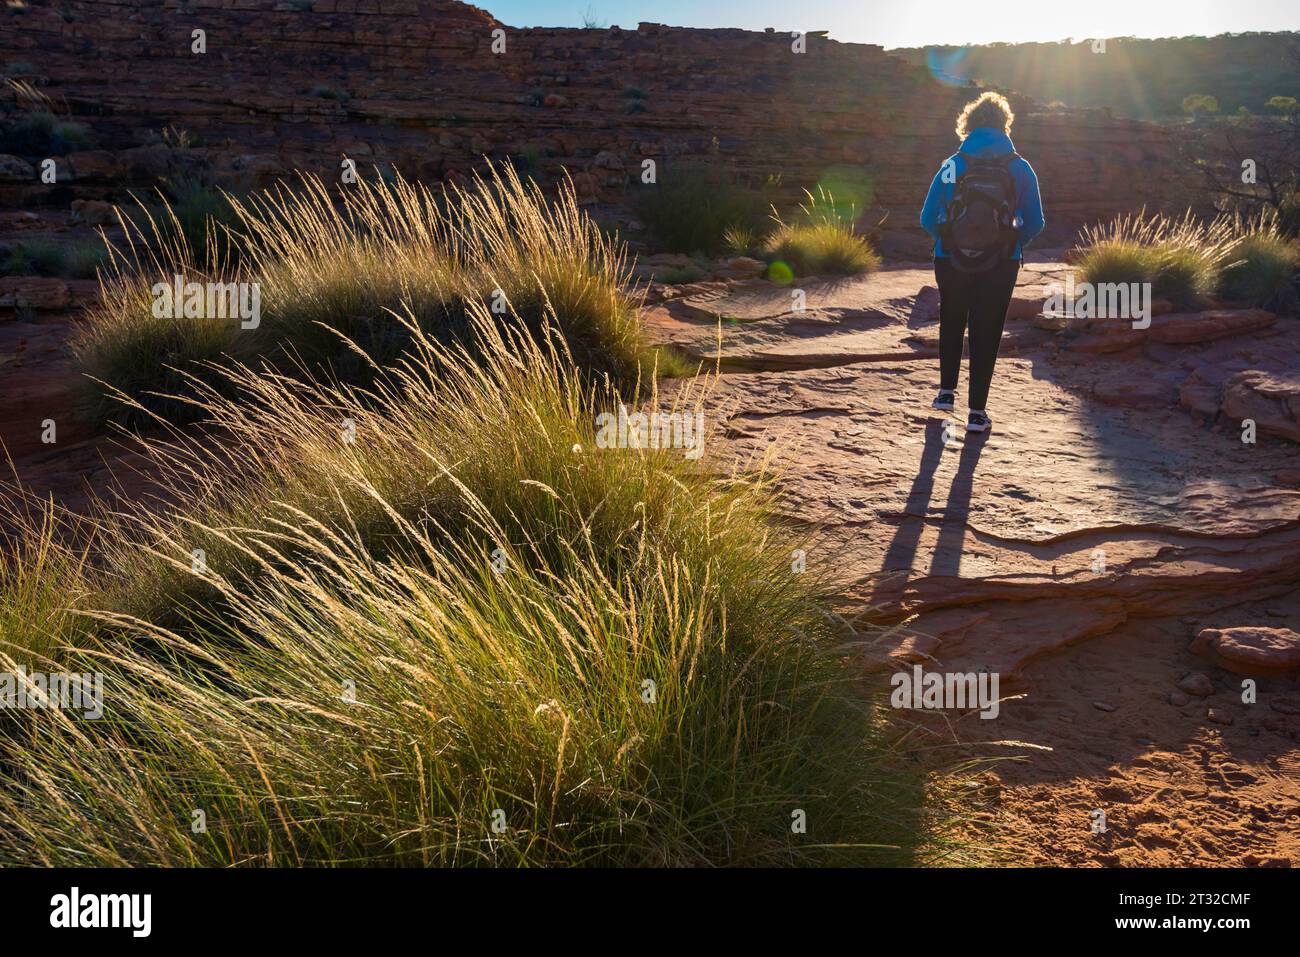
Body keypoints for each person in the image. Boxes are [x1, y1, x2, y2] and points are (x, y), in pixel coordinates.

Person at [919, 92, 1044, 433]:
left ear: (969, 125)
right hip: (1001, 262)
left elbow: (928, 216)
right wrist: (1012, 245)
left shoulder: (953, 165)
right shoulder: (1020, 167)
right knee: (986, 330)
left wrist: (950, 242)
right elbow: (1036, 221)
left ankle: (945, 394)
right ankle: (977, 413)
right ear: (1005, 125)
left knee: (952, 317)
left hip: (951, 259)